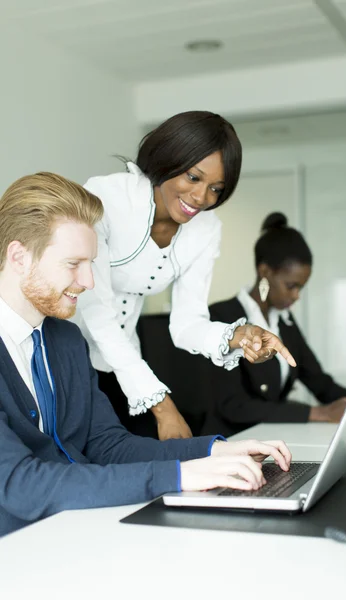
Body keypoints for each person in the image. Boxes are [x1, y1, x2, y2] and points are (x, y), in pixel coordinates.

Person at [0, 172, 292, 537]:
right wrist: (179, 475)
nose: (90, 281)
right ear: (18, 257)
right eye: (74, 264)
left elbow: (107, 444)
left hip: (75, 531)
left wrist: (213, 453)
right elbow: (19, 484)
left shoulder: (66, 340)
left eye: (91, 263)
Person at [74, 111, 295, 440]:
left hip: (119, 359)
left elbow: (187, 325)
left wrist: (238, 335)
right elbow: (97, 314)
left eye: (216, 189)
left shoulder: (206, 229)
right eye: (193, 177)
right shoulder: (106, 199)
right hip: (62, 345)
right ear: (167, 159)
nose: (201, 198)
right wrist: (163, 407)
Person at [201, 212, 346, 437]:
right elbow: (233, 406)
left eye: (300, 288)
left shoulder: (284, 321)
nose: (296, 296)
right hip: (229, 442)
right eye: (291, 286)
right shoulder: (222, 316)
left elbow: (319, 382)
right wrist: (319, 413)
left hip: (268, 440)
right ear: (264, 272)